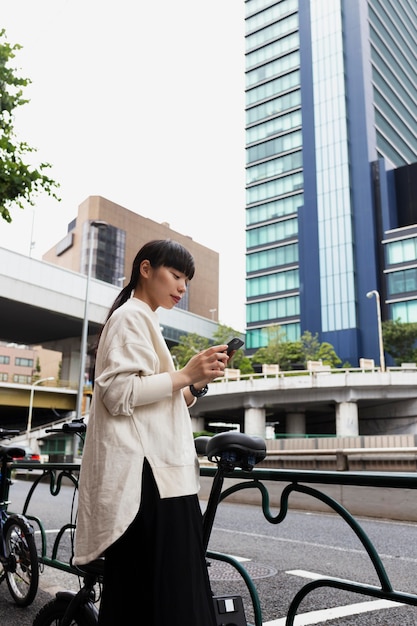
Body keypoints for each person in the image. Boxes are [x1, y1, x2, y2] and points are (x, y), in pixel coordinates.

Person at [73, 239, 232, 626]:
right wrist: (186, 374)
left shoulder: (143, 318)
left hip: (159, 475)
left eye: (187, 281)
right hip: (151, 477)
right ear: (146, 269)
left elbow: (158, 399)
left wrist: (194, 383)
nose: (182, 287)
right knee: (169, 597)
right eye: (175, 275)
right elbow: (118, 393)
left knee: (148, 594)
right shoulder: (132, 317)